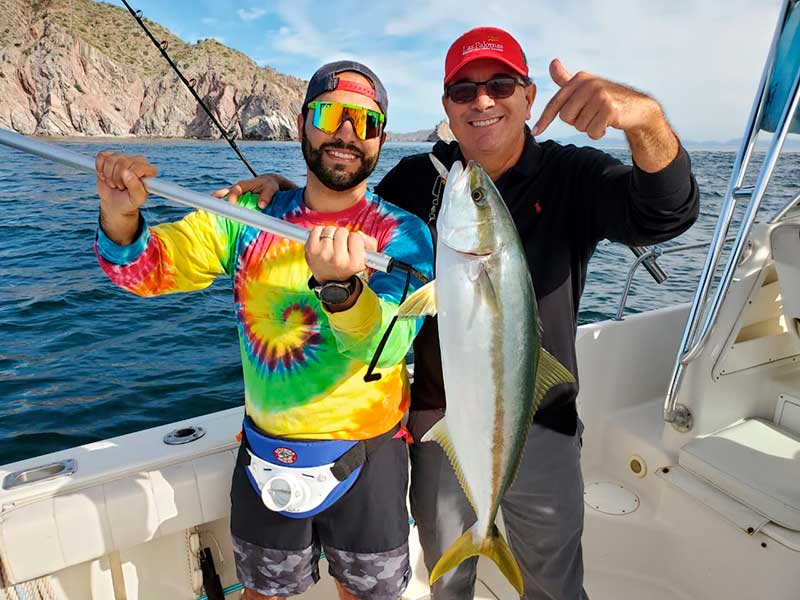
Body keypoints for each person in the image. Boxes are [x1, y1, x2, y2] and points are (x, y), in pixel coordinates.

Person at [214, 27, 700, 600]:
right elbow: (349, 210)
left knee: (554, 584)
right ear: (446, 105)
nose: (482, 101)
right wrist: (288, 191)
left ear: (527, 95)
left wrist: (643, 121)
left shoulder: (574, 176)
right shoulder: (422, 179)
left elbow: (668, 212)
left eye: (499, 84)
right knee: (447, 581)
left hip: (539, 422)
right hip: (437, 423)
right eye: (463, 91)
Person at [94, 61, 434, 600]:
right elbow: (146, 269)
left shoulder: (402, 234)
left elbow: (386, 348)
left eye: (364, 123)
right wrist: (120, 220)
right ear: (302, 124)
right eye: (330, 115)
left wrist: (342, 291)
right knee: (262, 594)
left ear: (381, 140)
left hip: (370, 455)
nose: (346, 133)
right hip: (267, 453)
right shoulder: (248, 212)